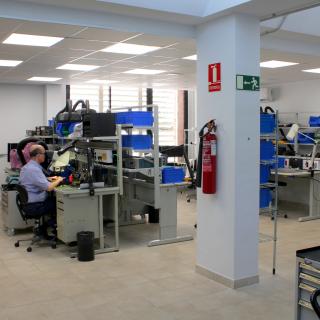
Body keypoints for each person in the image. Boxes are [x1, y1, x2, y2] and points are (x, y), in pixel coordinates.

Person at [20, 144, 64, 236]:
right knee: (63, 205)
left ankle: (46, 228)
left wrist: (48, 179)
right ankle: (50, 227)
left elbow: (34, 181)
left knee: (54, 201)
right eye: (44, 153)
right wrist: (59, 179)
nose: (45, 156)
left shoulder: (27, 167)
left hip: (29, 203)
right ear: (38, 155)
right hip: (35, 205)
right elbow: (49, 188)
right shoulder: (34, 170)